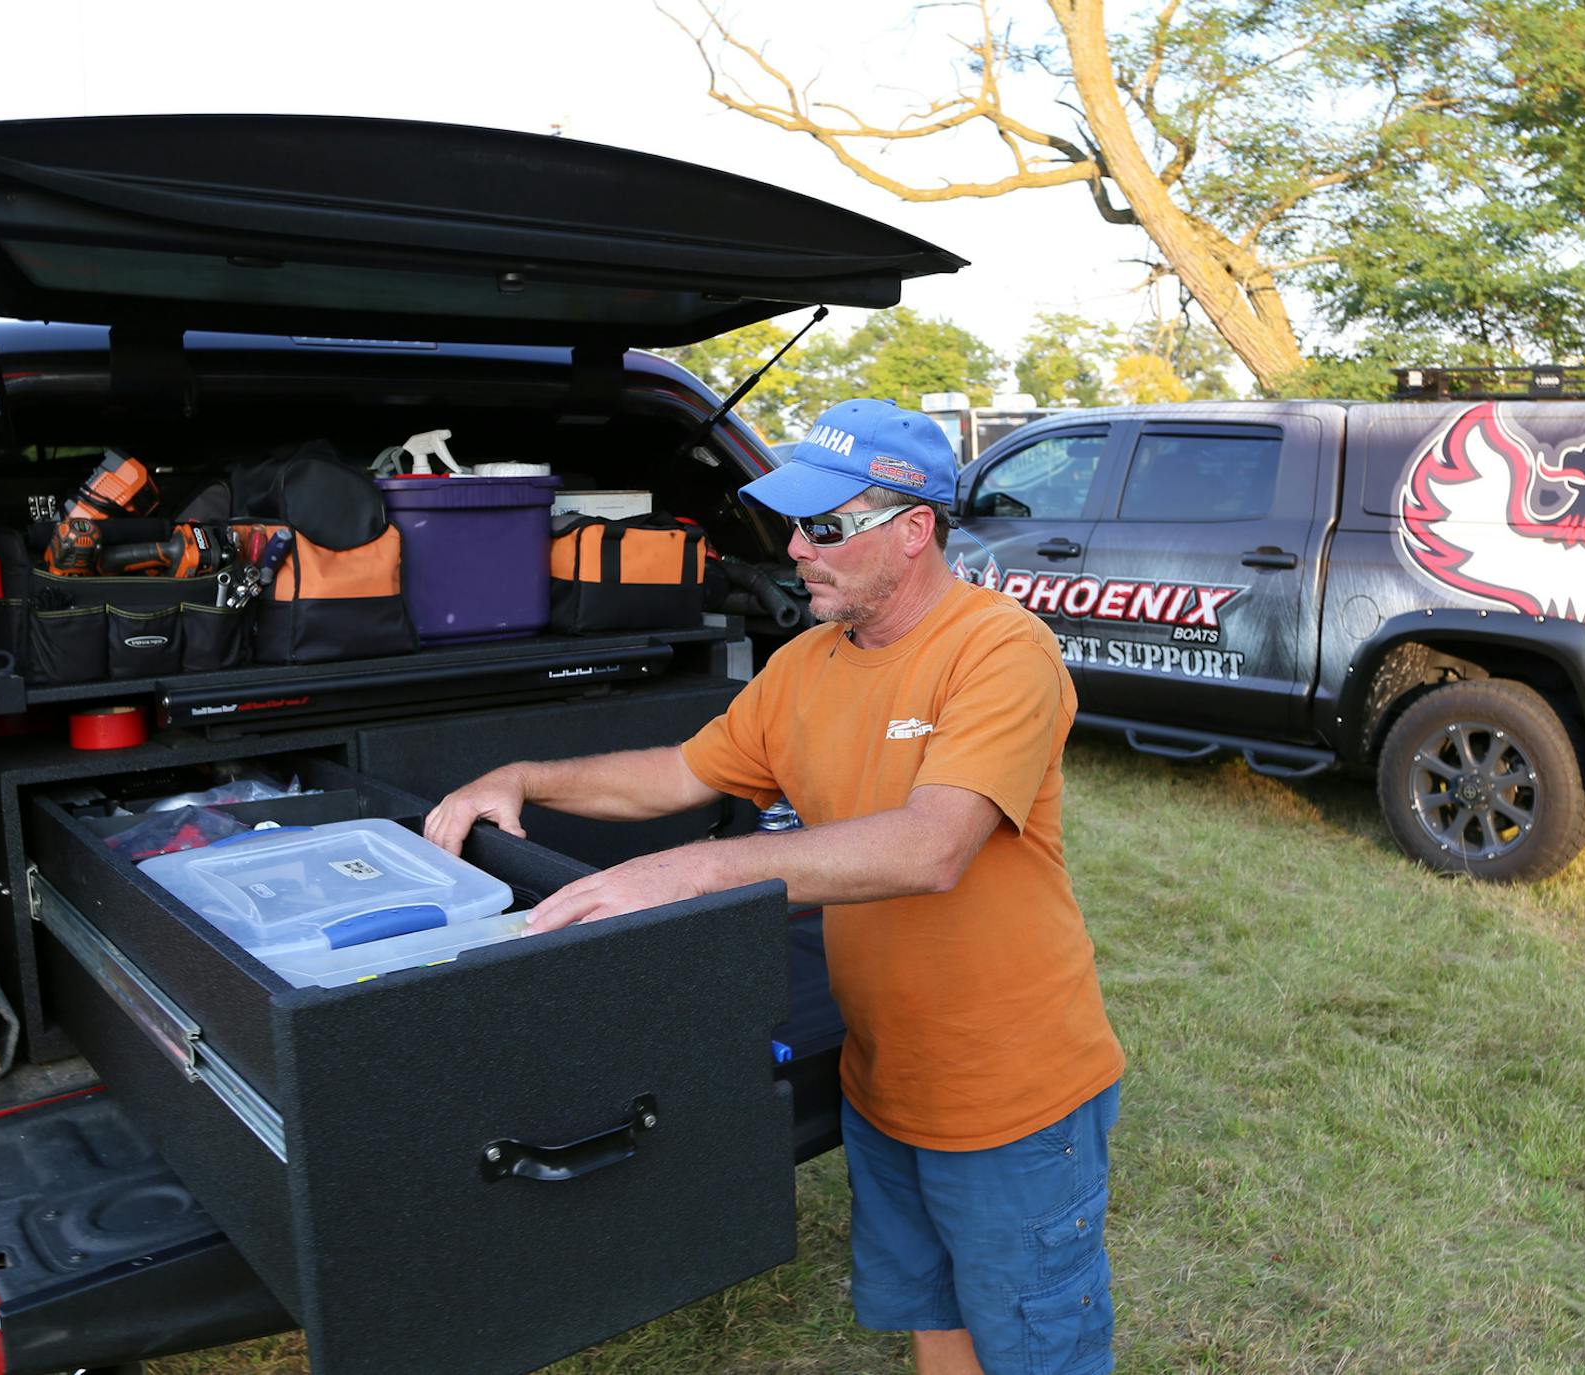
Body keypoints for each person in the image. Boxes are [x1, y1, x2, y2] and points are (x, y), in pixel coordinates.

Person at [424, 399, 1123, 1375]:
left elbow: (933, 847)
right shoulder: (804, 666)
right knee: (937, 1318)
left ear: (913, 528)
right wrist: (527, 779)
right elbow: (679, 775)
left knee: (1035, 1345)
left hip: (1012, 1091)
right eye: (793, 521)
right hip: (884, 1079)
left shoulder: (1001, 651)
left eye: (825, 526)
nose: (796, 547)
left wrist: (702, 869)